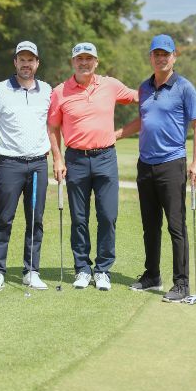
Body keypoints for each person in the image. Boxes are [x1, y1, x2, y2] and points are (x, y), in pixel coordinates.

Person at [115, 34, 196, 303]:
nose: (161, 57)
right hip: (146, 165)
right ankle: (152, 274)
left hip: (172, 164)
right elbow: (143, 120)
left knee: (176, 227)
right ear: (151, 56)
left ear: (174, 56)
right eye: (156, 53)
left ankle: (182, 283)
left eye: (166, 53)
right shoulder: (144, 88)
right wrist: (117, 133)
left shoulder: (184, 87)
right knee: (149, 225)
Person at [47, 42, 138, 291]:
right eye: (79, 59)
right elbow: (53, 127)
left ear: (96, 62)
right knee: (79, 218)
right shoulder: (60, 91)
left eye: (89, 59)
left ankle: (103, 270)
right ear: (73, 62)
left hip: (106, 158)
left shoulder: (110, 85)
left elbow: (142, 97)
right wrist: (57, 158)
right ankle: (82, 269)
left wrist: (122, 132)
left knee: (108, 216)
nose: (84, 63)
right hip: (75, 159)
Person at [0, 41, 53, 292]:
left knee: (35, 219)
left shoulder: (47, 90)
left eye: (31, 59)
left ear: (37, 63)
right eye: (21, 59)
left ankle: (31, 271)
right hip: (10, 164)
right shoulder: (0, 90)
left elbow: (53, 125)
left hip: (38, 164)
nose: (26, 64)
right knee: (4, 219)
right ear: (15, 62)